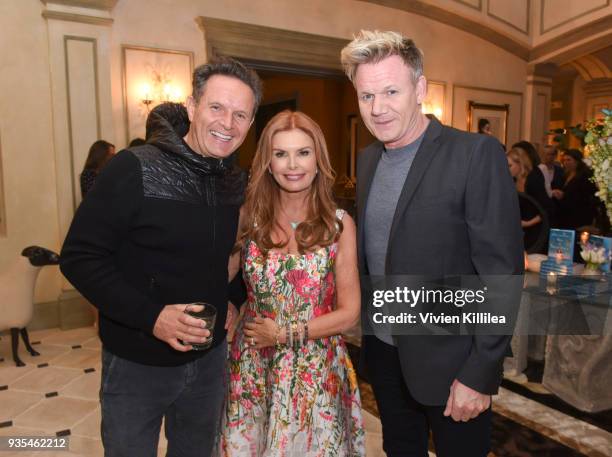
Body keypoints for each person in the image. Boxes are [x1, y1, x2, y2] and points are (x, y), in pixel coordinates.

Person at [60, 58, 262, 457]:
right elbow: (79, 257)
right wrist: (152, 317)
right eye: (217, 108)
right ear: (192, 107)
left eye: (241, 114)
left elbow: (232, 256)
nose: (228, 123)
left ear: (250, 123)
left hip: (208, 364)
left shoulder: (231, 182)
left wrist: (235, 299)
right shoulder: (133, 168)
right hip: (137, 363)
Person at [340, 30, 523, 457]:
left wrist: (481, 371)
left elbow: (502, 273)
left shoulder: (474, 154)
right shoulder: (368, 159)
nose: (378, 107)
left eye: (390, 91)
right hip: (385, 356)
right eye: (366, 96)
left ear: (419, 88)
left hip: (453, 361)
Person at [219, 110, 365, 456]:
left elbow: (350, 313)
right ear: (267, 163)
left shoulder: (339, 226)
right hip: (254, 366)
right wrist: (225, 300)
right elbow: (214, 276)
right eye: (280, 154)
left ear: (318, 160)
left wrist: (284, 334)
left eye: (303, 152)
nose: (292, 164)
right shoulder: (248, 219)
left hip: (316, 370)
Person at [507, 149, 543, 251]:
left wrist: (528, 223)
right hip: (520, 231)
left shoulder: (532, 180)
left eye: (510, 166)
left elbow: (546, 209)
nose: (507, 169)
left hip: (535, 231)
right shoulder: (513, 180)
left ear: (520, 164)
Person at [553, 148, 597, 230]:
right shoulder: (566, 174)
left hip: (579, 216)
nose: (565, 163)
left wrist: (564, 196)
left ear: (577, 161)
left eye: (569, 160)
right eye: (564, 160)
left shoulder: (585, 175)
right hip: (565, 215)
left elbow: (586, 197)